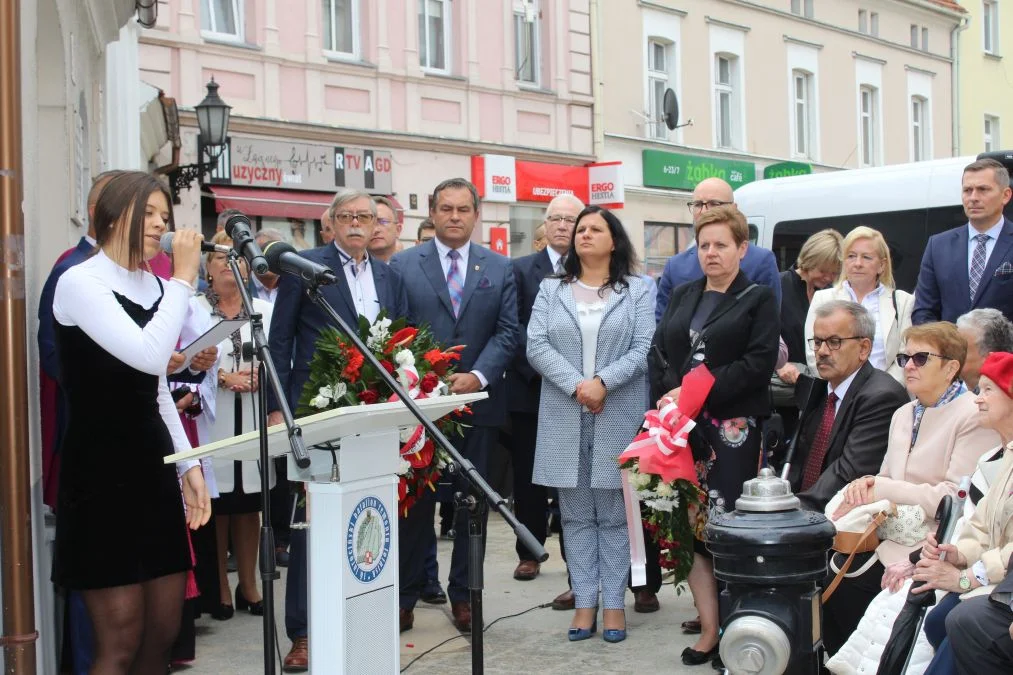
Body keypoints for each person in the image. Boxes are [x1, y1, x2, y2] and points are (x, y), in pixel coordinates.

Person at [50, 171, 211, 673]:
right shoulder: (80, 281)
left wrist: (189, 467)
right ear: (116, 215)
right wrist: (184, 280)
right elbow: (148, 355)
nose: (162, 225)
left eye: (166, 216)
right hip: (99, 473)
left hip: (150, 465)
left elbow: (158, 387)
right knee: (119, 638)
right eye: (151, 214)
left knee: (161, 634)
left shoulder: (158, 286)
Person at [269, 188, 409, 671]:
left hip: (372, 415)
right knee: (311, 524)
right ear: (330, 223)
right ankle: (303, 633)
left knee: (368, 512)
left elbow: (398, 340)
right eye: (346, 216)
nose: (355, 223)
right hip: (316, 409)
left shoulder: (390, 277)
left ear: (377, 226)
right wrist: (277, 408)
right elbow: (279, 339)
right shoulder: (302, 267)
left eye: (364, 217)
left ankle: (364, 612)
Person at [820, 322, 1000, 657]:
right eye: (904, 357)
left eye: (920, 358)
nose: (909, 366)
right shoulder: (903, 412)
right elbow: (887, 478)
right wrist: (863, 493)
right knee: (826, 573)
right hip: (887, 533)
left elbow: (953, 498)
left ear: (951, 367)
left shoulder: (972, 414)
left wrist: (884, 486)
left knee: (852, 589)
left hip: (933, 542)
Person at [650, 204, 780, 665]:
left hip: (732, 430)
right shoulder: (684, 293)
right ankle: (709, 628)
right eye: (704, 245)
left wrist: (692, 393)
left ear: (742, 248)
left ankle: (740, 627)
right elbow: (659, 349)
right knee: (691, 529)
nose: (711, 253)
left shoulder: (758, 297)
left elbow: (757, 364)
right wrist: (669, 397)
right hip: (681, 429)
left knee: (726, 529)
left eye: (721, 245)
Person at [390, 178, 519, 633]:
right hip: (419, 408)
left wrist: (478, 376)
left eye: (464, 209)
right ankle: (404, 595)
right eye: (446, 208)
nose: (455, 217)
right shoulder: (403, 265)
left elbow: (508, 332)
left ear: (476, 213)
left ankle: (465, 595)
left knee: (471, 504)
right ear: (432, 210)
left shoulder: (499, 268)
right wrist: (423, 377)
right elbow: (395, 330)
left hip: (477, 405)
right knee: (416, 506)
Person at [526, 205, 652, 644]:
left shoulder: (638, 289)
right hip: (564, 412)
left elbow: (643, 349)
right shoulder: (551, 289)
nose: (585, 234)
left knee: (614, 517)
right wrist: (579, 385)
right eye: (581, 228)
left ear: (613, 240)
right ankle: (585, 603)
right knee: (575, 518)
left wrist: (603, 383)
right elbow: (536, 345)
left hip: (616, 412)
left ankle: (614, 605)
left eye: (596, 228)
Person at [903, 351, 1013, 674]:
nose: (977, 399)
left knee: (957, 621)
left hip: (1002, 581)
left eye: (988, 390)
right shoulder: (1003, 456)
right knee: (937, 617)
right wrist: (958, 554)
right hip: (996, 574)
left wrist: (967, 576)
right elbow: (980, 528)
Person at [195, 231, 275, 620]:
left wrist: (263, 375)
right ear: (207, 269)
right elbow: (184, 360)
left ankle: (249, 584)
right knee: (218, 506)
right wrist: (222, 378)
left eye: (238, 260)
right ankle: (220, 588)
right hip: (212, 421)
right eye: (222, 260)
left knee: (248, 506)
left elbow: (280, 354)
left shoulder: (263, 308)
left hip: (254, 415)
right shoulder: (194, 309)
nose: (231, 266)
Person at [506, 194, 583, 586]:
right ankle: (530, 551)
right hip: (531, 388)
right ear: (545, 224)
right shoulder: (520, 270)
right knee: (529, 478)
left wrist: (575, 376)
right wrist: (547, 369)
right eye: (555, 218)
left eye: (571, 219)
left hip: (580, 393)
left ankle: (578, 557)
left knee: (573, 477)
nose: (562, 225)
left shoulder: (593, 270)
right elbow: (514, 327)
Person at [786, 301, 909, 512]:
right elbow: (799, 464)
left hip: (843, 521)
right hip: (807, 512)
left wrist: (792, 511)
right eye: (817, 342)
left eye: (834, 342)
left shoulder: (882, 396)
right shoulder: (821, 388)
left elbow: (848, 472)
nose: (822, 351)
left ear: (864, 348)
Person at [654, 177, 781, 321]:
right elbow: (661, 324)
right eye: (698, 204)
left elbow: (770, 322)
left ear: (734, 208)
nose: (703, 211)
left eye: (714, 203)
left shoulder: (761, 261)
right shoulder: (676, 266)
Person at [805, 226, 913, 384]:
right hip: (836, 394)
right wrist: (845, 388)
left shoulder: (903, 302)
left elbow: (905, 355)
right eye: (851, 256)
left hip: (886, 396)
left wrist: (880, 389)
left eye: (867, 257)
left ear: (882, 265)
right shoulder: (823, 298)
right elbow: (813, 353)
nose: (858, 263)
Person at [914, 158, 1013, 325]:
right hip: (950, 350)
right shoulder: (938, 246)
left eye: (983, 189)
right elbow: (924, 310)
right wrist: (938, 348)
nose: (973, 197)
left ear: (1005, 195)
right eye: (967, 190)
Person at [956, 308, 1013, 392]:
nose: (950, 352)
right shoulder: (943, 392)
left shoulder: (1005, 401)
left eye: (959, 348)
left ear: (990, 358)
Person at [250, 228, 283, 304]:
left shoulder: (293, 288)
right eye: (261, 250)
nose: (266, 256)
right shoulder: (240, 288)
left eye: (274, 251)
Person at [369, 195, 403, 262]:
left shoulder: (413, 268)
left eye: (382, 222)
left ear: (398, 230)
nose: (375, 230)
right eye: (370, 223)